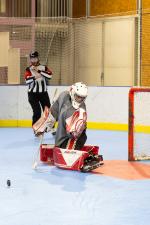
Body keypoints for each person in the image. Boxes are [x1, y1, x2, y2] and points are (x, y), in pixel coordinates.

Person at [33, 82, 103, 172]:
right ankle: (71, 152)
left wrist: (77, 129)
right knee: (60, 148)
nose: (80, 99)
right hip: (61, 138)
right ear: (72, 92)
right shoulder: (63, 96)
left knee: (68, 151)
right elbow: (54, 112)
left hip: (73, 138)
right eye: (78, 96)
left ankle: (88, 160)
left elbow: (74, 135)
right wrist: (44, 126)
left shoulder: (81, 110)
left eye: (83, 97)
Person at [24, 50, 55, 135]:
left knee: (48, 111)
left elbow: (50, 75)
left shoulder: (43, 67)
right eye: (32, 58)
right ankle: (36, 129)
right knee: (37, 111)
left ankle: (51, 128)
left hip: (43, 93)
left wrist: (39, 71)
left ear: (38, 58)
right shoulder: (28, 69)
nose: (33, 60)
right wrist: (35, 77)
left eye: (35, 58)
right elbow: (27, 80)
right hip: (32, 94)